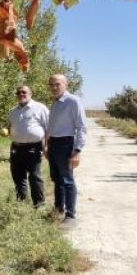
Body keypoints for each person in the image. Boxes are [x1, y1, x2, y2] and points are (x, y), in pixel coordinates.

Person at [45, 74, 86, 220]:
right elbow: (52, 127)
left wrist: (77, 151)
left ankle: (70, 215)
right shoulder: (55, 104)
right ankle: (58, 209)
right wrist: (47, 146)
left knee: (67, 180)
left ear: (65, 84)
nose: (54, 87)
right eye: (51, 85)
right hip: (54, 144)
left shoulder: (73, 101)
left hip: (66, 144)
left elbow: (81, 127)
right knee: (57, 179)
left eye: (57, 84)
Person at [7, 85, 50, 206]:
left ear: (30, 94)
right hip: (16, 147)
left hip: (33, 147)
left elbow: (49, 129)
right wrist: (8, 131)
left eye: (24, 92)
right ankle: (22, 203)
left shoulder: (40, 108)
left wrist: (46, 146)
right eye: (18, 92)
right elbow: (10, 127)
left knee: (35, 177)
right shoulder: (13, 111)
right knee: (18, 176)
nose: (21, 94)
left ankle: (39, 205)